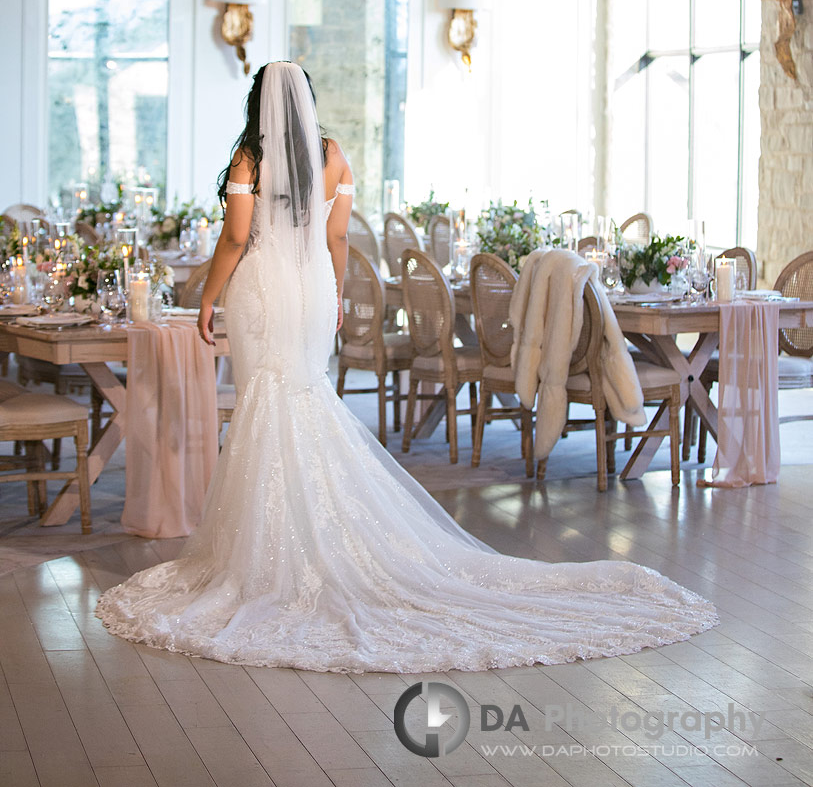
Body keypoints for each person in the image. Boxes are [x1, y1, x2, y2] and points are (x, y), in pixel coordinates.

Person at [97, 61, 716, 672]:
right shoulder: (332, 154)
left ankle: (271, 554)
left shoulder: (248, 161)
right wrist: (335, 295)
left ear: (259, 104)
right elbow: (337, 240)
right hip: (311, 288)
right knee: (303, 395)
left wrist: (206, 298)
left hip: (263, 290)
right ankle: (310, 542)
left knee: (268, 395)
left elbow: (235, 241)